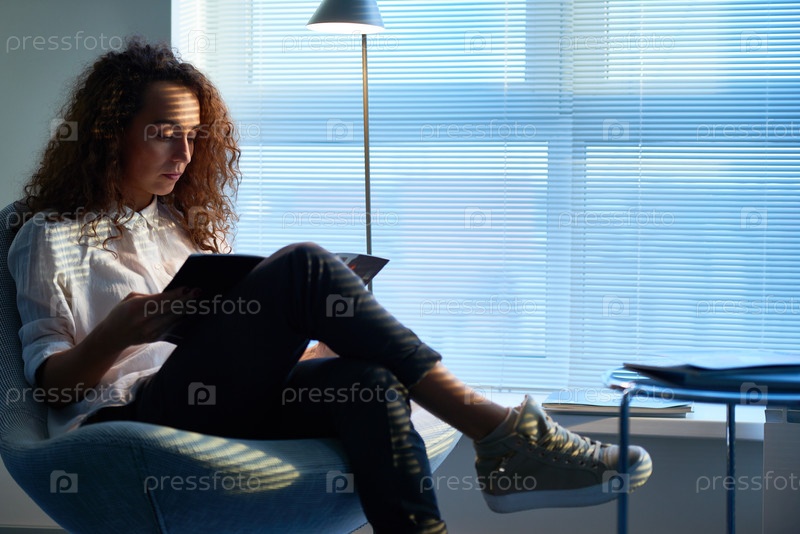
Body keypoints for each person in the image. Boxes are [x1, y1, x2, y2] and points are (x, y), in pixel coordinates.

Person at [9, 39, 652, 533]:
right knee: (304, 265)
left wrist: (316, 345)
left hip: (221, 401)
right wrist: (118, 333)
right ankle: (501, 432)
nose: (184, 154)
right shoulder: (49, 236)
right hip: (136, 410)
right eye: (163, 134)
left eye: (193, 136)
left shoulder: (183, 227)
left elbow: (227, 347)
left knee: (367, 382)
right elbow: (51, 387)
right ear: (109, 134)